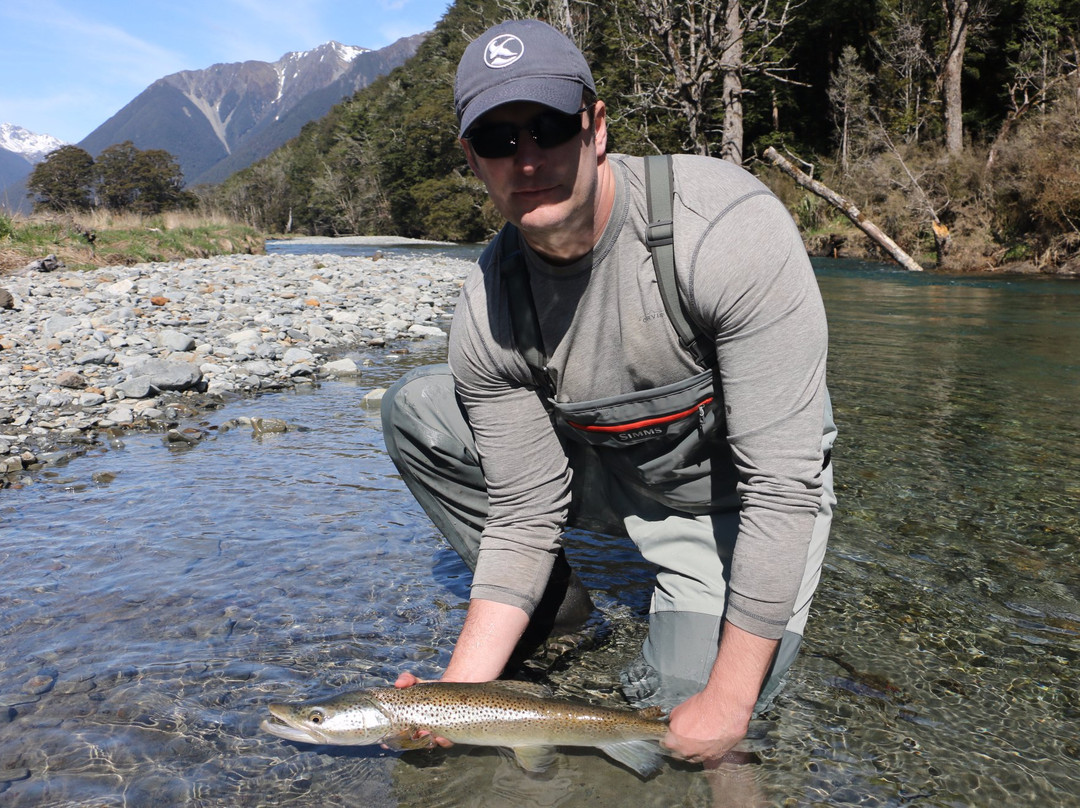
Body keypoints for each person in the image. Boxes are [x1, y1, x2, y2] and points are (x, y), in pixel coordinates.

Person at [382, 18, 836, 767]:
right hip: (613, 464)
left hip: (733, 494)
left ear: (595, 128)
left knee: (673, 724)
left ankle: (693, 601)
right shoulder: (489, 306)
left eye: (549, 127)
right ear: (472, 160)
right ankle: (555, 609)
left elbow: (781, 487)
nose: (528, 159)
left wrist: (727, 699)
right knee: (419, 410)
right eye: (498, 140)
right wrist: (450, 699)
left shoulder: (723, 231)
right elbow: (524, 509)